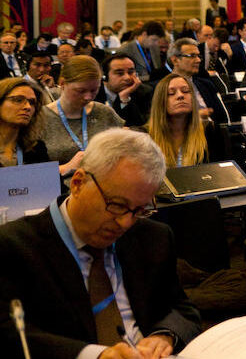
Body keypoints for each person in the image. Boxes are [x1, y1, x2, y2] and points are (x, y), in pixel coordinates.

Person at [0, 128, 201, 359]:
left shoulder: (153, 236)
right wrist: (95, 355)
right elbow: (9, 335)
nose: (125, 222)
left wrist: (165, 335)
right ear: (77, 183)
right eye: (116, 204)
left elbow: (183, 309)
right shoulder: (13, 246)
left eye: (139, 210)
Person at [41, 56, 123, 177]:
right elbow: (28, 174)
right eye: (81, 91)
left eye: (94, 90)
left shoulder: (104, 113)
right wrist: (66, 168)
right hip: (59, 190)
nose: (88, 97)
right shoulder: (41, 118)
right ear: (62, 83)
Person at [142, 74, 225, 168]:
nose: (180, 96)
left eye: (185, 91)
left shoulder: (210, 130)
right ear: (160, 101)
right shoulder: (144, 136)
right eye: (171, 93)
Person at [0, 77, 49, 166]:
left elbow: (51, 179)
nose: (28, 107)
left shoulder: (36, 148)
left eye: (32, 102)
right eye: (18, 100)